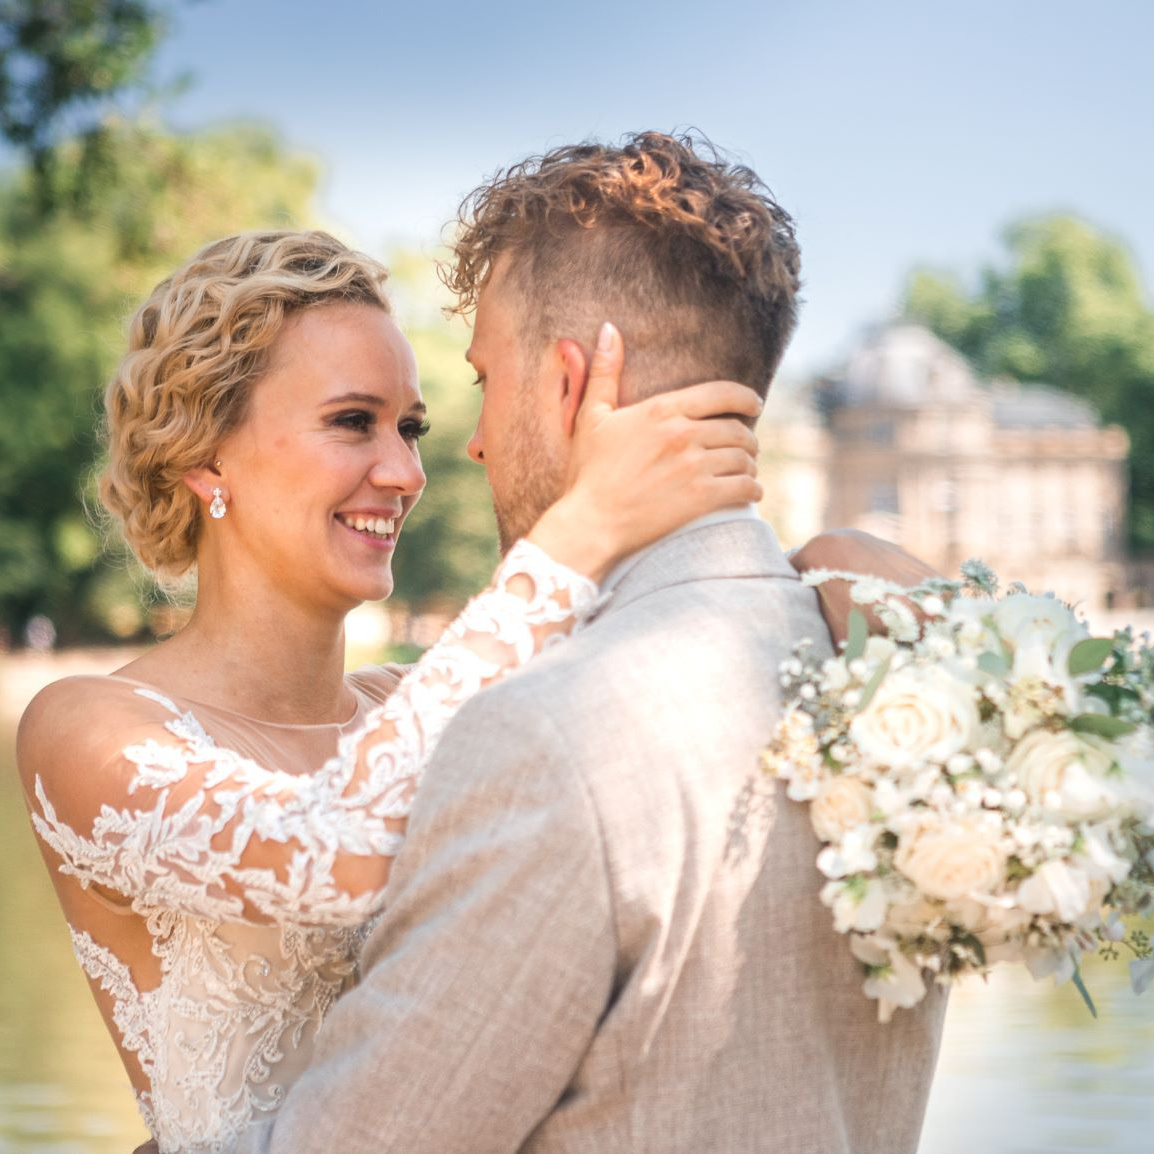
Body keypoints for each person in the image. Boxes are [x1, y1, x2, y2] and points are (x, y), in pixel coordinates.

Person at [224, 132, 948, 1154]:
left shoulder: (549, 736)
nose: (472, 442)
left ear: (568, 386)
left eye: (485, 379)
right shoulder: (903, 672)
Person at [15, 228, 770, 1154]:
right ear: (206, 457)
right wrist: (582, 530)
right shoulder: (86, 728)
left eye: (410, 428)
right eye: (352, 421)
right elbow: (335, 854)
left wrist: (849, 583)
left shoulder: (421, 702)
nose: (407, 473)